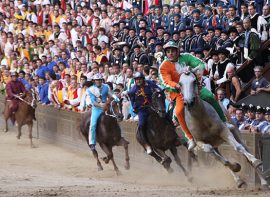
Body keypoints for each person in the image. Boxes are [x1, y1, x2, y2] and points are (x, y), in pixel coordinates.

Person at [159, 40, 227, 151]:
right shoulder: (163, 66)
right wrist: (176, 85)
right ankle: (190, 138)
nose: (170, 53)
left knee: (211, 96)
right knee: (179, 111)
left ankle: (224, 121)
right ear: (166, 53)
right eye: (168, 51)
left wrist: (194, 70)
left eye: (173, 51)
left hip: (194, 88)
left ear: (177, 51)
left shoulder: (186, 57)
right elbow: (165, 81)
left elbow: (201, 64)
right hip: (178, 92)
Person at [128, 72, 161, 154]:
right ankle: (146, 144)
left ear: (143, 79)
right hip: (142, 110)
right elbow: (132, 101)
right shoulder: (132, 90)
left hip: (153, 107)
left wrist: (158, 91)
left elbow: (159, 90)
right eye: (136, 80)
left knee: (165, 116)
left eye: (140, 79)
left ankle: (175, 136)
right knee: (142, 124)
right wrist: (136, 108)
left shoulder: (150, 83)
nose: (138, 81)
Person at [85, 73, 112, 151]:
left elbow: (110, 96)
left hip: (106, 106)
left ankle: (120, 135)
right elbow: (93, 102)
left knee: (116, 118)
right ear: (94, 81)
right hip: (97, 108)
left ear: (102, 80)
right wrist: (101, 106)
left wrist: (108, 102)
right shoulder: (90, 89)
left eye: (100, 80)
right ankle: (92, 143)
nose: (98, 81)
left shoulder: (106, 87)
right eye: (97, 80)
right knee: (93, 125)